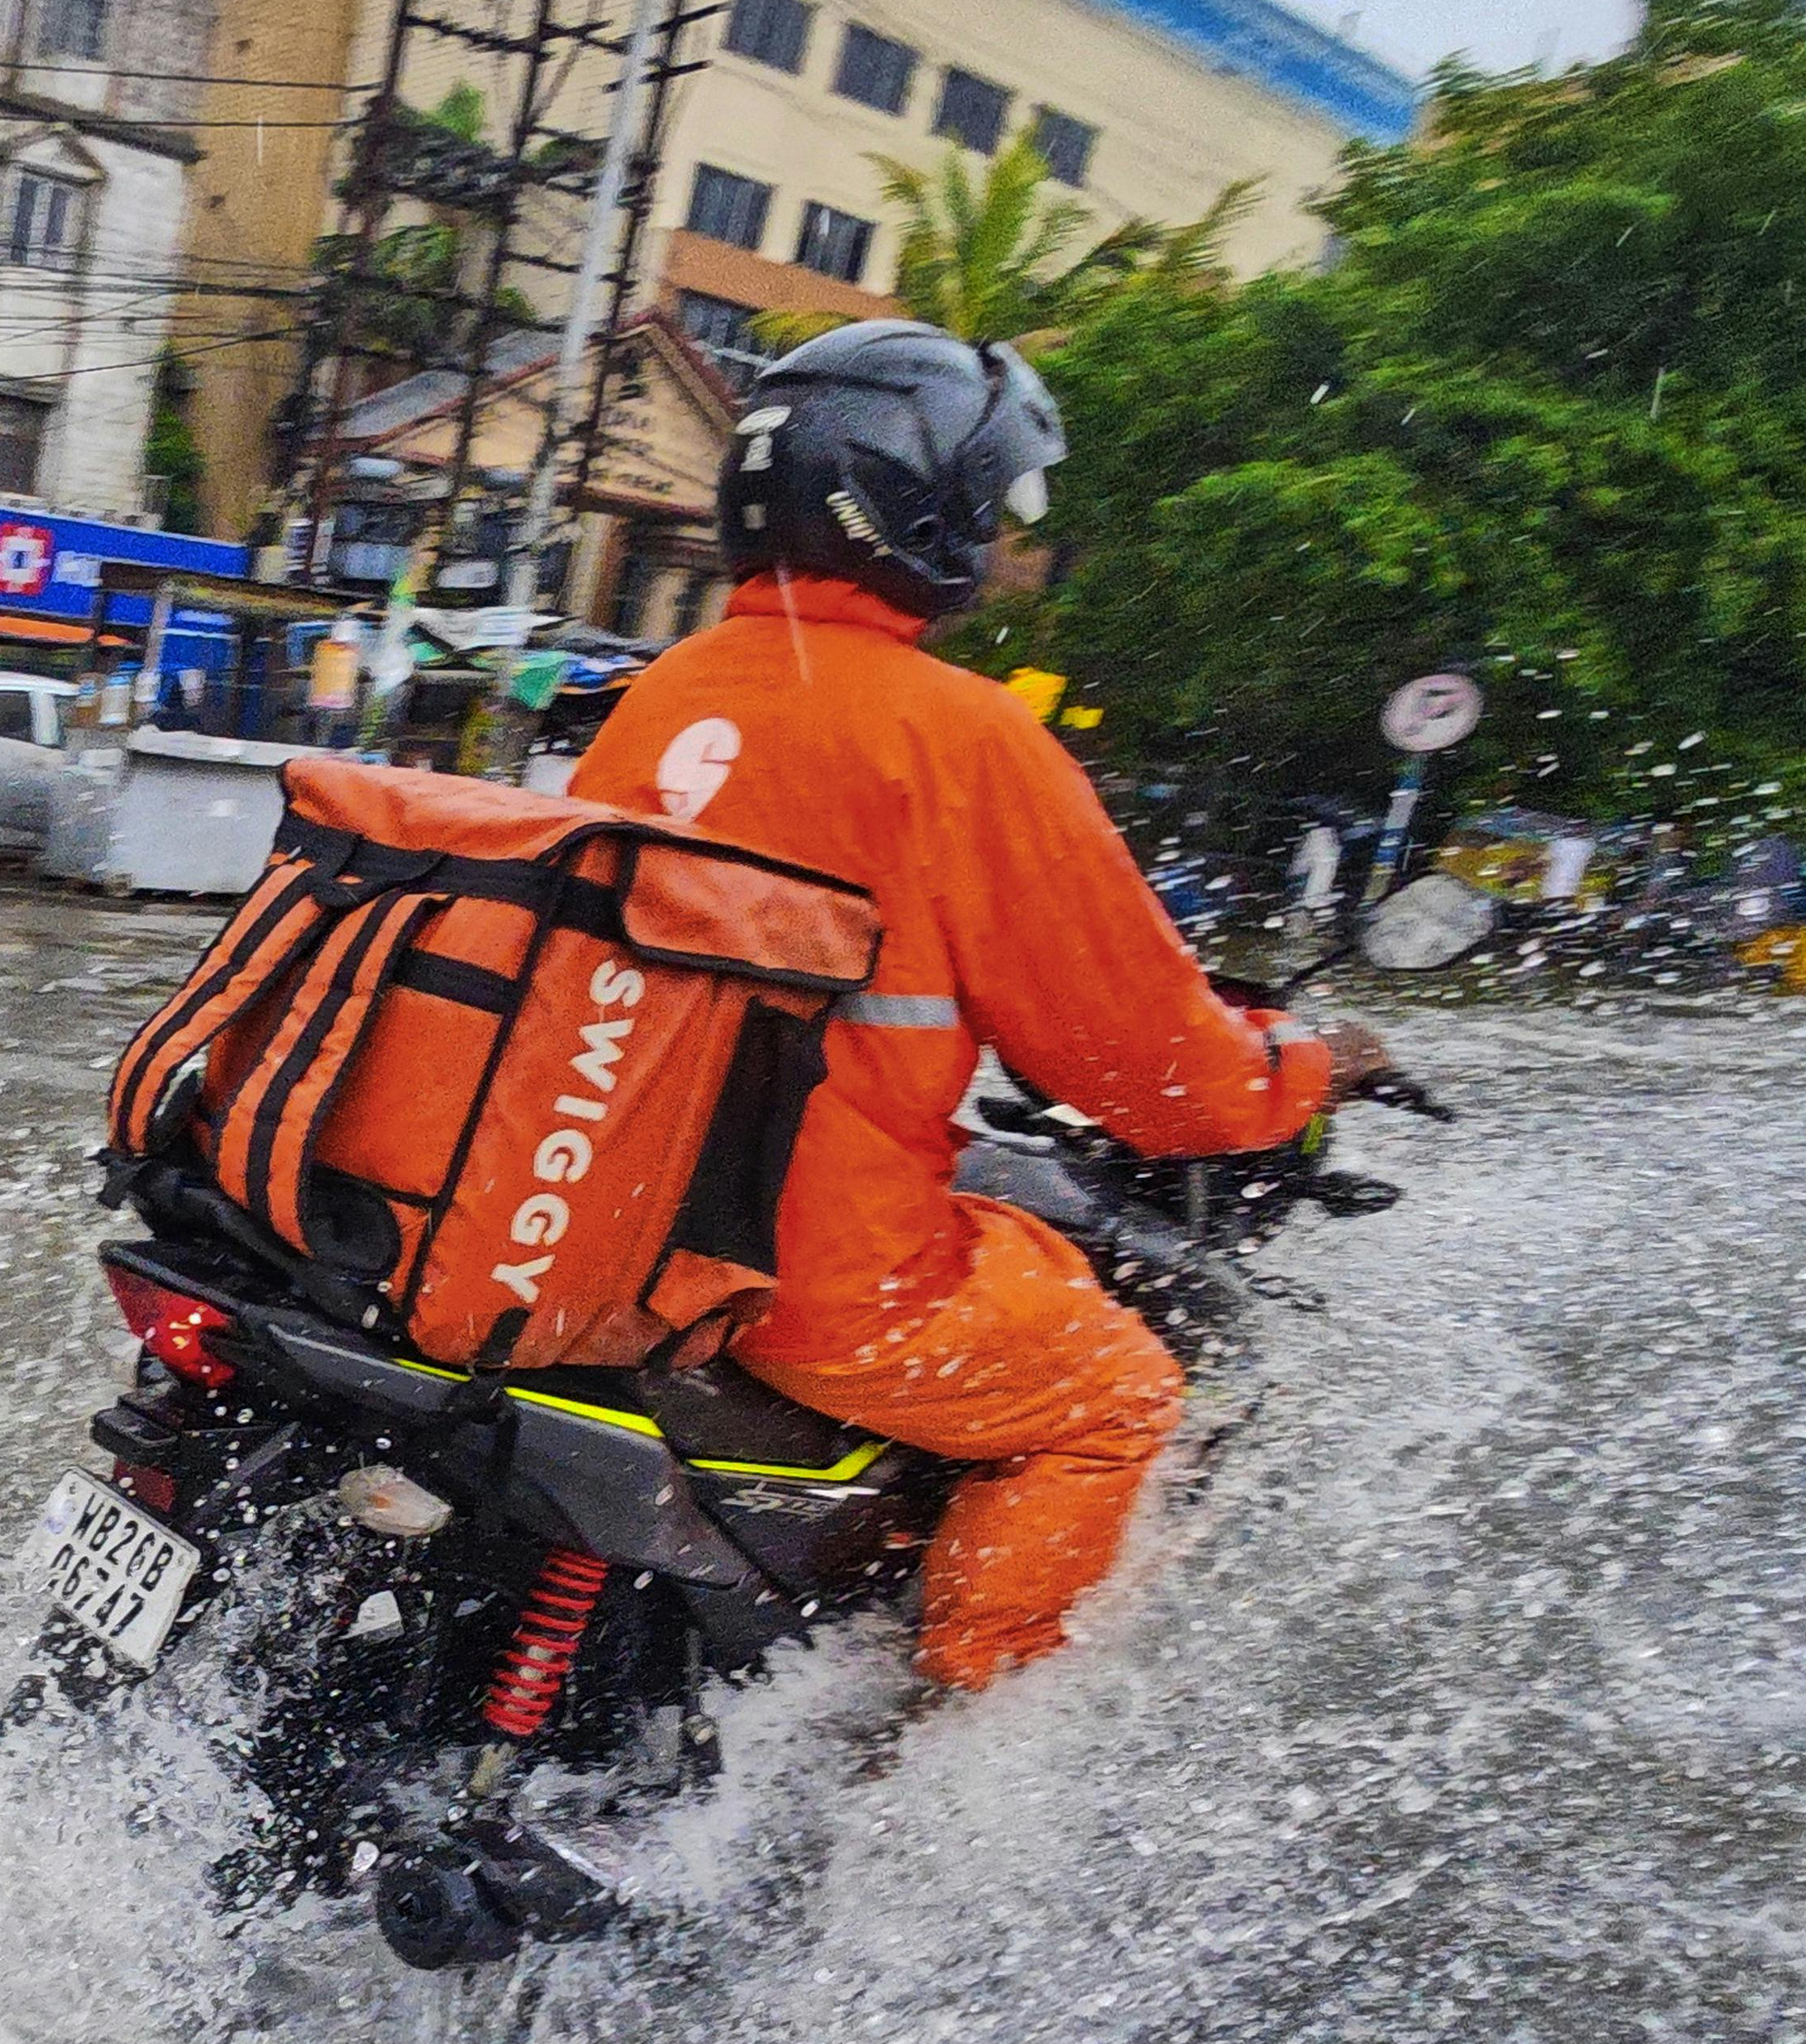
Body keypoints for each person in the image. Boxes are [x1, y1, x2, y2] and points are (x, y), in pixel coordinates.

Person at [566, 320, 1388, 1694]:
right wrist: (1307, 1068)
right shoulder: (963, 735)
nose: (1007, 546)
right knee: (1120, 1397)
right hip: (798, 1268)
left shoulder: (665, 691)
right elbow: (1157, 1074)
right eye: (991, 509)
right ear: (917, 510)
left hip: (595, 1212)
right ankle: (945, 1773)